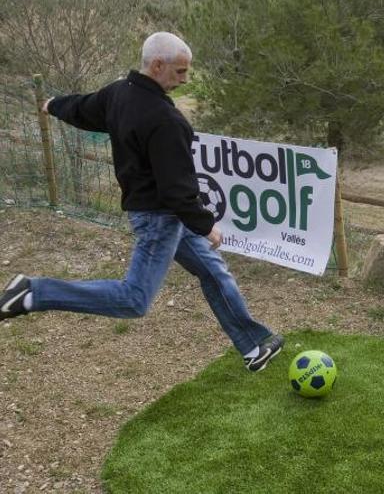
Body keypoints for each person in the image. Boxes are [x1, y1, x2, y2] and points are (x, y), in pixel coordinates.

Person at [0, 32, 284, 372]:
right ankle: (34, 292)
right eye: (180, 72)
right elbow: (176, 189)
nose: (185, 79)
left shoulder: (119, 92)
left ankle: (253, 345)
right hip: (160, 218)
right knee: (134, 300)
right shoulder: (166, 121)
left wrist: (54, 104)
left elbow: (83, 108)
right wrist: (206, 225)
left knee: (214, 272)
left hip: (165, 214)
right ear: (157, 65)